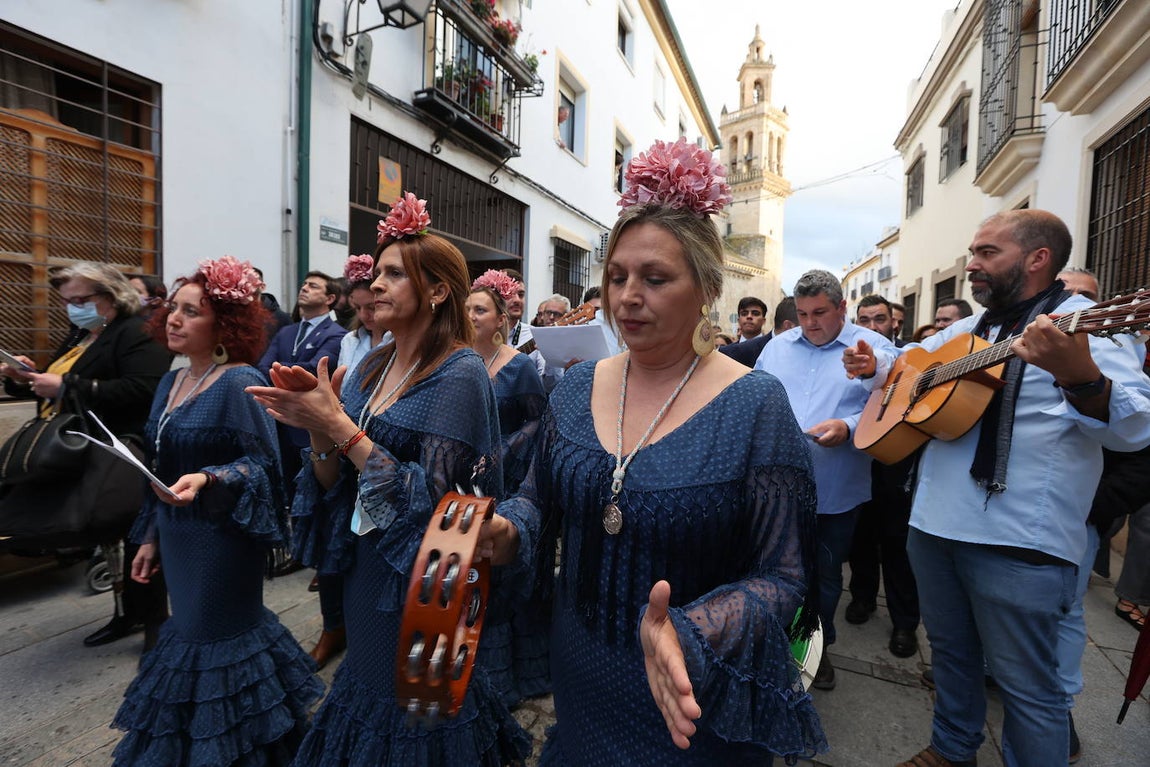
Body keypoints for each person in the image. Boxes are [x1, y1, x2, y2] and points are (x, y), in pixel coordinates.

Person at [485, 138, 825, 764]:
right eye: (616, 276)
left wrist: (695, 629)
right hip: (582, 660)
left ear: (705, 288)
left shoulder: (756, 404)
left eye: (654, 278)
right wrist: (509, 529)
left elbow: (784, 576)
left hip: (690, 683)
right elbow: (538, 495)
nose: (626, 296)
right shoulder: (580, 384)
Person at [844, 209, 1150, 767]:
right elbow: (912, 361)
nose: (972, 265)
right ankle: (952, 750)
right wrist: (876, 365)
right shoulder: (976, 328)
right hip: (934, 522)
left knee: (1029, 687)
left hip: (1020, 538)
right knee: (954, 657)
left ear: (1037, 259)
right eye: (973, 252)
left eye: (988, 253)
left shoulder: (1086, 321)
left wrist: (1080, 376)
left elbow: (1134, 428)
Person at [247, 192, 531, 765]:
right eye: (377, 272)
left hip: (423, 582)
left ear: (437, 291)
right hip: (365, 563)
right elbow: (330, 483)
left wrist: (341, 429)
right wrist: (319, 427)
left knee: (418, 714)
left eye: (395, 274)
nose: (376, 284)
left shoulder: (460, 373)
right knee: (372, 693)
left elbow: (437, 505)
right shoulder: (371, 365)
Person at [111, 256, 323, 766]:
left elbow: (267, 469)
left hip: (222, 539)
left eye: (191, 311)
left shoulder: (238, 381)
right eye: (172, 309)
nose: (174, 320)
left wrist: (211, 477)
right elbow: (159, 466)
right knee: (187, 634)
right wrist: (148, 537)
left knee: (218, 639)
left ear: (223, 325)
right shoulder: (171, 382)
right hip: (177, 533)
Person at [1, 263, 171, 653]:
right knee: (110, 537)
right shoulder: (85, 335)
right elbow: (58, 387)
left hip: (122, 449)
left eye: (81, 300)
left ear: (110, 297)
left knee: (138, 538)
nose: (73, 308)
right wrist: (24, 378)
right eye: (67, 301)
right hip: (85, 446)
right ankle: (126, 614)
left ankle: (154, 624)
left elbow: (144, 388)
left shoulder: (135, 332)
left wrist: (70, 384)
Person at [754, 270, 898, 691]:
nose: (810, 322)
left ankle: (815, 650)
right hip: (775, 489)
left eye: (819, 312)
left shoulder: (871, 348)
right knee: (772, 569)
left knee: (825, 574)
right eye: (801, 313)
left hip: (835, 488)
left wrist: (850, 427)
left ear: (842, 308)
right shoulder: (777, 348)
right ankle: (776, 645)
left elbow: (890, 400)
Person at [308, 254, 395, 671]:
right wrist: (319, 420)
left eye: (392, 277)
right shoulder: (351, 342)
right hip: (346, 447)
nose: (368, 309)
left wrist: (334, 421)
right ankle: (335, 626)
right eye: (360, 306)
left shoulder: (442, 363)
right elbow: (341, 394)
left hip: (374, 457)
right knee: (336, 546)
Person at [468, 270, 549, 708]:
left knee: (502, 574)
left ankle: (509, 675)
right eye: (466, 309)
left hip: (509, 482)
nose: (470, 316)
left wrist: (503, 449)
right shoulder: (457, 360)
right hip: (465, 480)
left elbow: (539, 420)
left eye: (479, 309)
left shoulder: (517, 365)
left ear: (500, 320)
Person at [844, 294, 920, 659]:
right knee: (861, 537)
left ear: (894, 323)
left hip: (896, 465)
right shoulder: (850, 358)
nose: (871, 327)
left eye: (879, 319)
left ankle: (905, 622)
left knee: (896, 544)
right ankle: (862, 598)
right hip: (858, 463)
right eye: (864, 320)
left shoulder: (911, 357)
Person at [258, 270, 346, 576]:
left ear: (330, 298)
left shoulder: (336, 335)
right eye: (304, 284)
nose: (304, 289)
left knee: (312, 491)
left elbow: (312, 370)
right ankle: (294, 546)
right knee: (286, 488)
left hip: (309, 429)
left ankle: (311, 550)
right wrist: (282, 374)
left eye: (313, 286)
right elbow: (263, 364)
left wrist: (278, 374)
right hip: (280, 425)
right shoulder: (286, 332)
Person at [720, 296, 796, 368]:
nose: (749, 317)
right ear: (738, 320)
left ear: (764, 321)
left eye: (755, 313)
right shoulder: (726, 353)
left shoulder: (773, 346)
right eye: (744, 313)